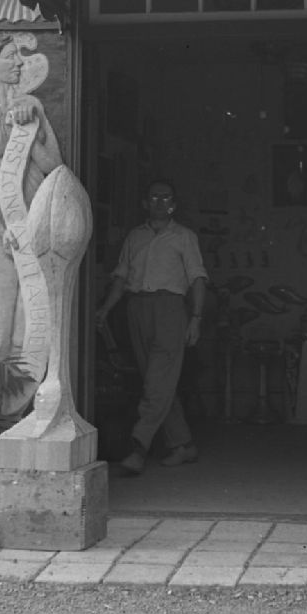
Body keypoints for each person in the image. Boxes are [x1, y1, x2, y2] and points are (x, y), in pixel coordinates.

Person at [96, 179, 208, 475]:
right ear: (145, 203)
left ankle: (138, 447)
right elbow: (121, 277)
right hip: (137, 308)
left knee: (157, 382)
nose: (160, 202)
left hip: (170, 309)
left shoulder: (184, 237)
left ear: (174, 204)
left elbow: (197, 278)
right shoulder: (135, 237)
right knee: (157, 381)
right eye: (154, 197)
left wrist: (196, 319)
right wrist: (105, 309)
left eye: (166, 197)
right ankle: (183, 444)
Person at [0, 33, 62, 360]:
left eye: (19, 55)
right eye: (10, 56)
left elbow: (53, 166)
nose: (19, 62)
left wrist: (31, 127)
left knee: (30, 322)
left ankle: (26, 390)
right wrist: (0, 228)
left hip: (31, 220)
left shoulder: (32, 107)